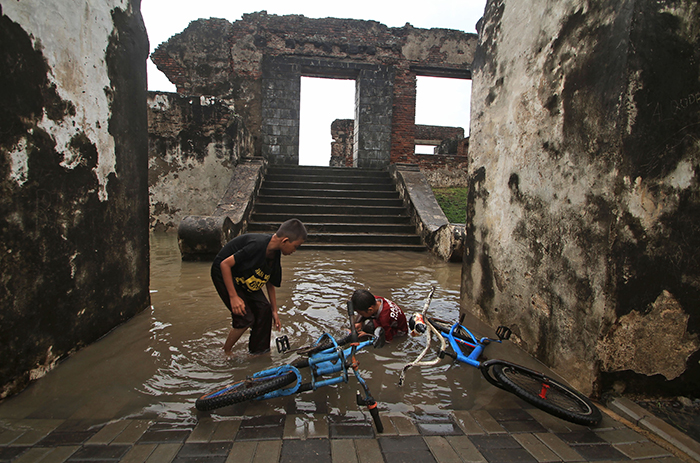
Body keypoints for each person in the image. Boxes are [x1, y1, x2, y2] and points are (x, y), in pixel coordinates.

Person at [211, 218, 307, 355]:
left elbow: (269, 280)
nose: (295, 250)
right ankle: (226, 351)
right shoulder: (256, 245)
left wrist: (274, 310)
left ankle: (258, 351)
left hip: (245, 274)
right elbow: (224, 264)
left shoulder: (275, 253)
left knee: (264, 309)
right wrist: (233, 297)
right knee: (245, 317)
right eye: (296, 246)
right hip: (225, 273)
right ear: (285, 241)